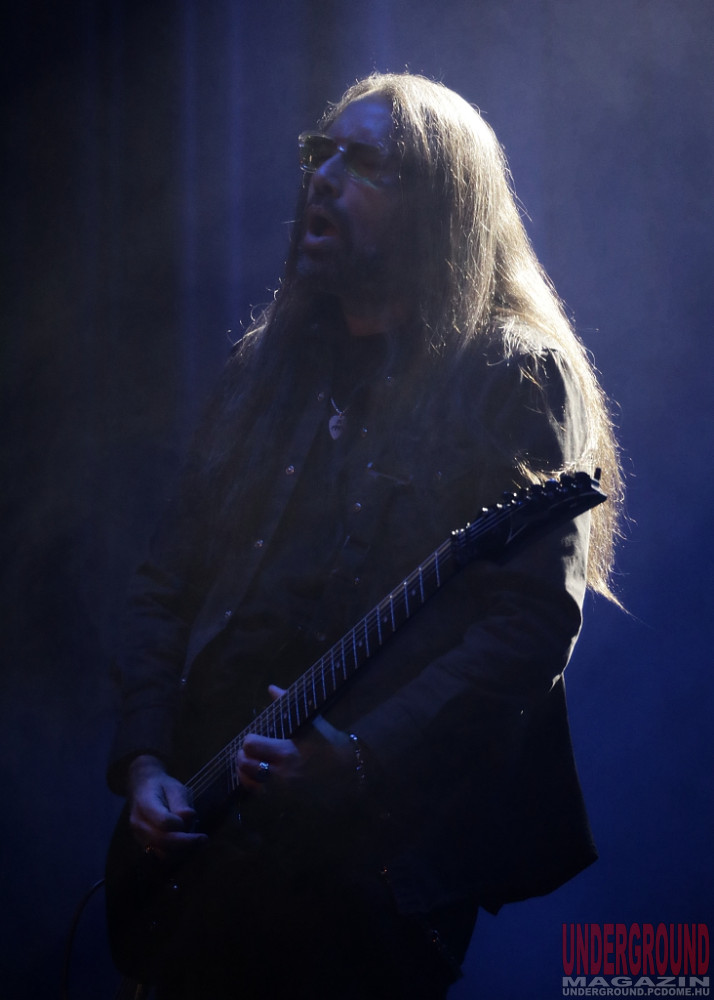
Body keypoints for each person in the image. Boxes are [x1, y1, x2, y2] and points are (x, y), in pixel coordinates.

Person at [106, 72, 622, 999]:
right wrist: (147, 765)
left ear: (442, 202)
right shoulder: (266, 370)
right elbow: (163, 585)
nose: (323, 177)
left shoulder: (510, 374)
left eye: (363, 161)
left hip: (369, 873)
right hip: (206, 842)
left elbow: (530, 627)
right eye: (320, 154)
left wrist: (360, 756)